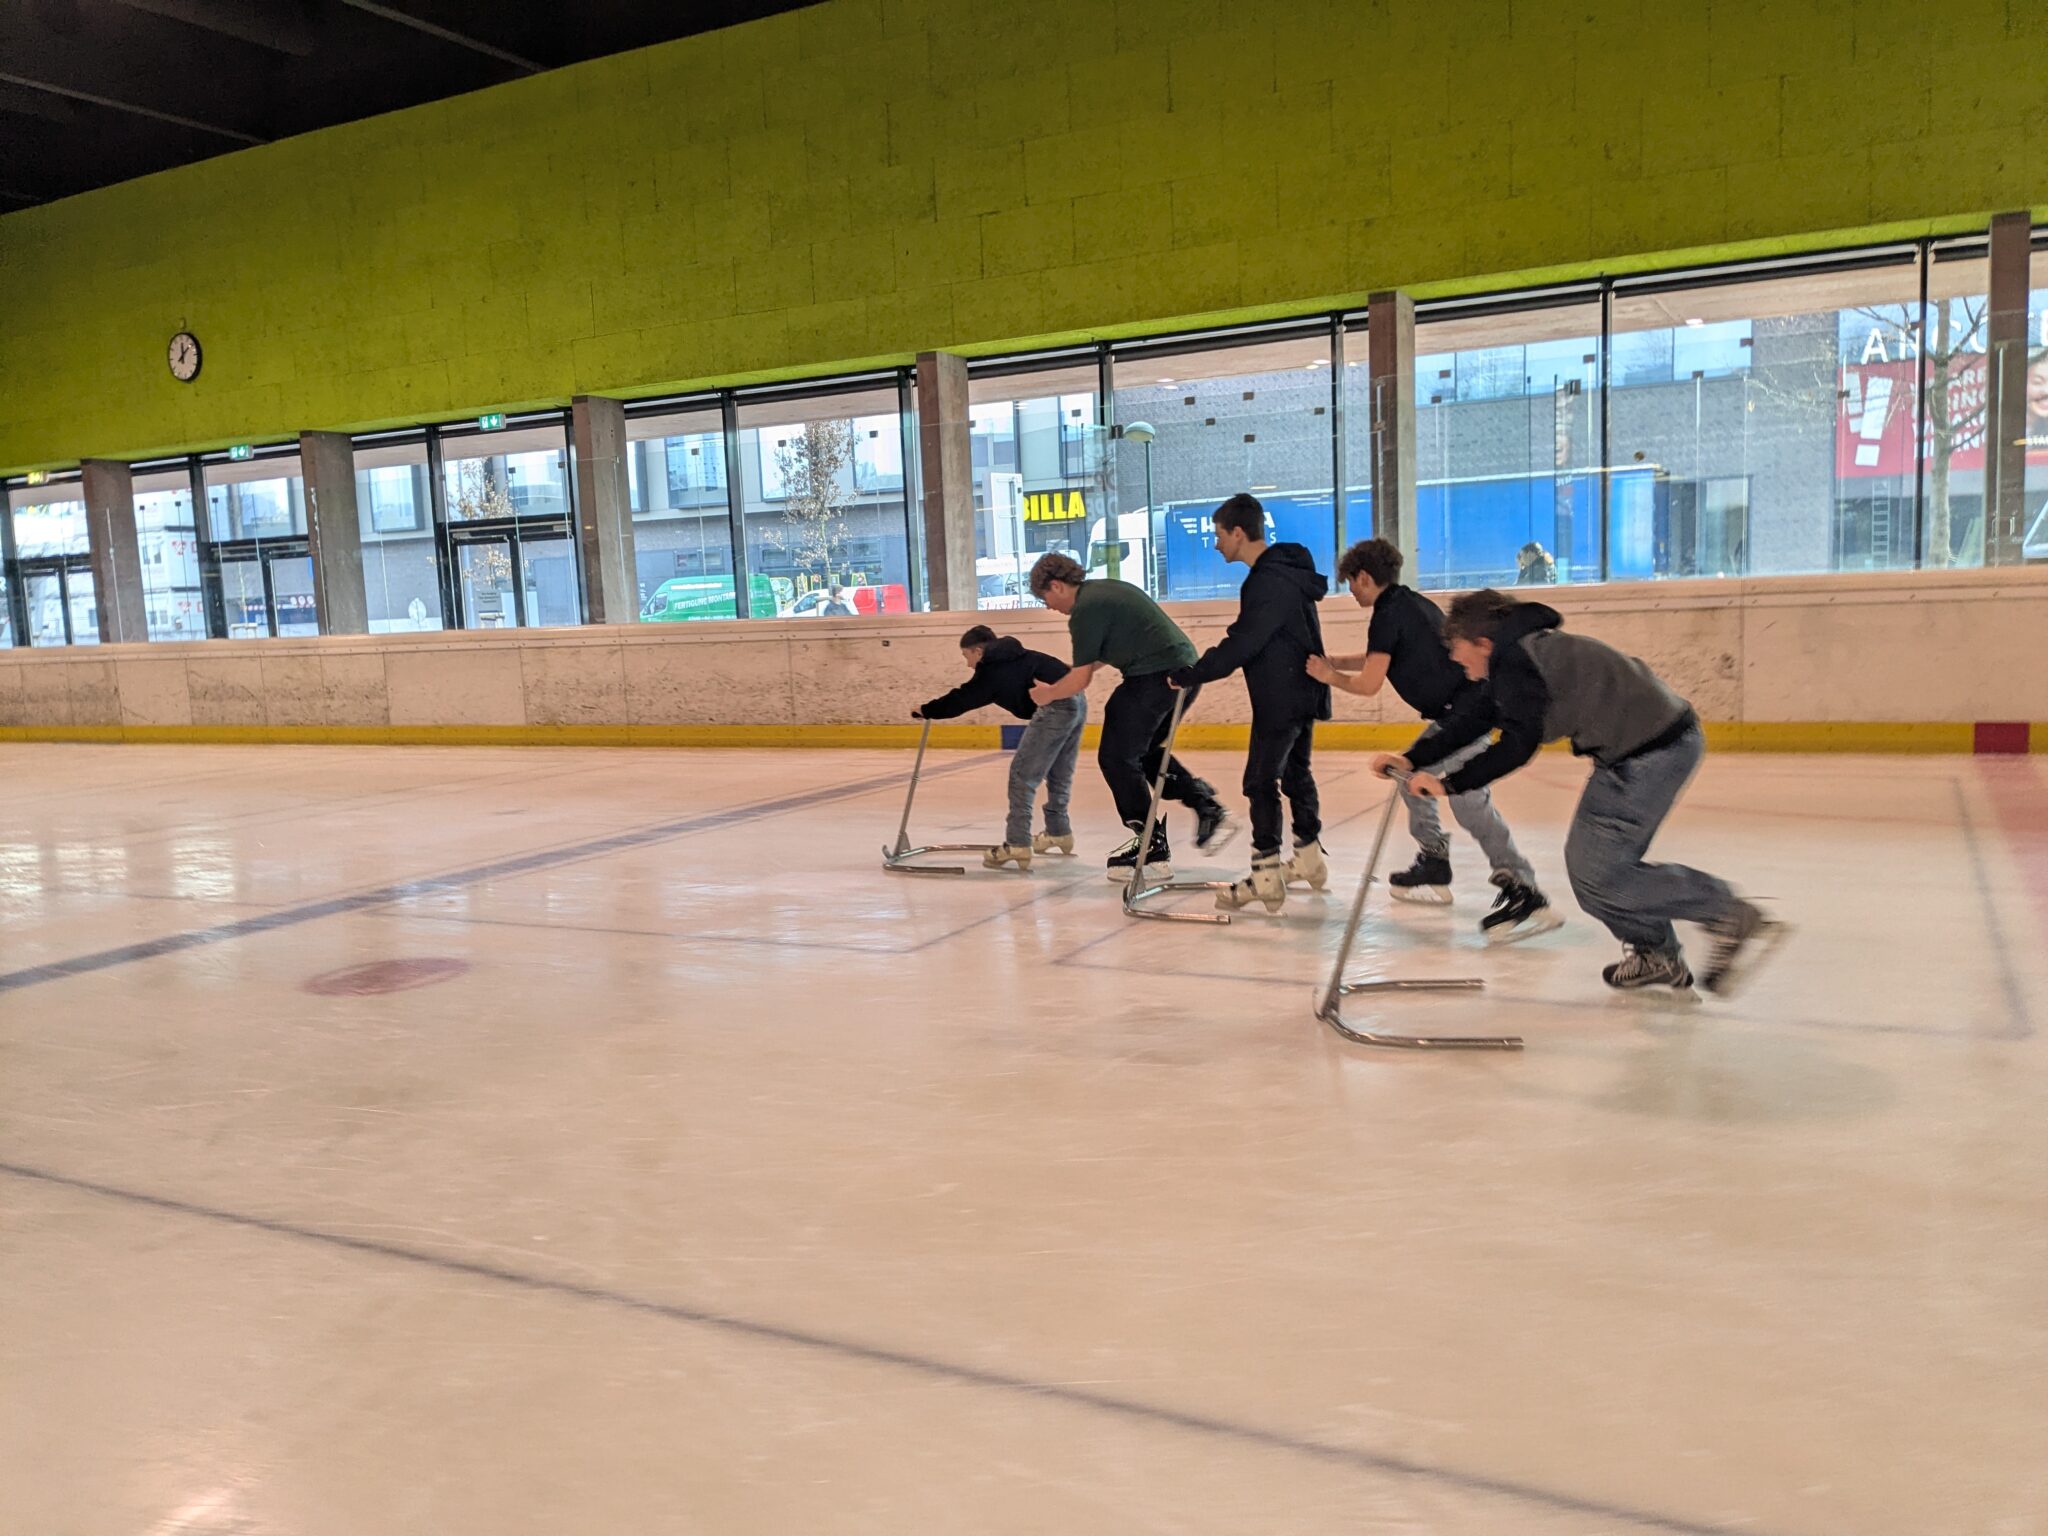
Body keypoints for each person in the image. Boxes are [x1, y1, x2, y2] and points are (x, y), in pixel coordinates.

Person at [1371, 588, 1782, 996]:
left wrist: (1449, 784)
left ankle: (1725, 912)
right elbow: (1475, 718)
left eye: (1459, 651)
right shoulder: (1518, 654)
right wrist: (1412, 759)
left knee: (1601, 874)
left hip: (1656, 751)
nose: (1456, 661)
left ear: (1483, 643)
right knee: (1591, 875)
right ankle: (1656, 953)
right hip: (1633, 752)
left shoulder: (1517, 662)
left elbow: (1517, 744)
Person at [1309, 539, 1559, 943]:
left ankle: (1522, 885)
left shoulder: (1386, 615)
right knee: (1412, 777)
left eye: (1350, 582)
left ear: (1365, 577)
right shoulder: (1408, 603)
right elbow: (1379, 657)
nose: (1350, 590)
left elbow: (1370, 683)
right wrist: (1336, 661)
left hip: (1465, 714)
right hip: (1458, 710)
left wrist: (1329, 677)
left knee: (1469, 802)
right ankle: (1435, 861)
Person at [1026, 552, 1236, 883]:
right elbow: (1096, 659)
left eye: (1045, 598)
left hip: (1155, 677)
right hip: (1184, 673)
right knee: (1144, 751)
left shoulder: (1084, 610)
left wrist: (1048, 694)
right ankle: (1206, 807)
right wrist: (1066, 677)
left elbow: (1080, 679)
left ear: (1056, 585)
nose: (1048, 606)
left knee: (1115, 758)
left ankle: (1151, 845)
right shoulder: (1103, 591)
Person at [1165, 494, 1331, 912]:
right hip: (1302, 691)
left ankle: (1266, 874)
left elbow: (1244, 643)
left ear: (1238, 533)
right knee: (1295, 775)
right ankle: (1309, 856)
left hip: (1282, 696)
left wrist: (1191, 673)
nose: (1216, 544)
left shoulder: (1266, 581)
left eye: (1219, 535)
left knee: (1259, 781)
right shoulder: (1288, 573)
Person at [913, 625, 1084, 870]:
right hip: (1077, 700)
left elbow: (962, 698)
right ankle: (1059, 832)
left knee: (1021, 777)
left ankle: (1017, 843)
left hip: (1055, 709)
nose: (968, 665)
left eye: (967, 656)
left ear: (978, 651)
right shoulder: (1019, 655)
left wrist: (926, 710)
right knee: (1059, 772)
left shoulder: (992, 670)